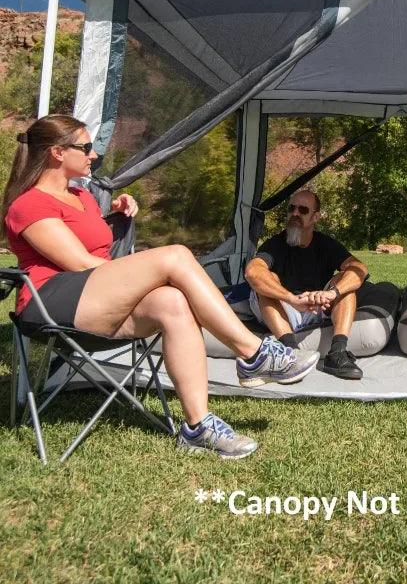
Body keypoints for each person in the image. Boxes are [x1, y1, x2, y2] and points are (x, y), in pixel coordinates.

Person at [1, 115, 320, 460]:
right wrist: (142, 272)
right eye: (87, 147)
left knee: (172, 302)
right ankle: (254, 353)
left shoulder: (82, 197)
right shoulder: (28, 204)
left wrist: (117, 215)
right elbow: (78, 263)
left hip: (94, 301)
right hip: (52, 302)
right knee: (176, 257)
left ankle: (198, 427)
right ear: (57, 153)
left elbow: (92, 244)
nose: (94, 156)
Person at [245, 189, 369, 380]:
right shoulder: (275, 244)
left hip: (318, 306)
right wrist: (291, 299)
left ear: (315, 217)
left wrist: (332, 293)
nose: (295, 214)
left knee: (346, 281)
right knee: (266, 282)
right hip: (284, 308)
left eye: (302, 210)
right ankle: (291, 354)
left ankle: (337, 353)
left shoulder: (325, 244)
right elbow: (252, 272)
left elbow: (360, 269)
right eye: (291, 208)